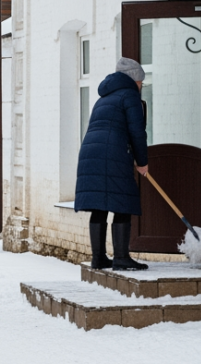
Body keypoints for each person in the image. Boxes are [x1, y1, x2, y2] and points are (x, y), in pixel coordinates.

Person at [74, 57, 150, 271]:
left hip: (90, 153)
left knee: (100, 205)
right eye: (141, 81)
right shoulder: (130, 96)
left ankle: (98, 258)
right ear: (134, 79)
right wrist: (142, 162)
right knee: (122, 201)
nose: (141, 85)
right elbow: (137, 132)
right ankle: (121, 257)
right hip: (112, 153)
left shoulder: (104, 98)